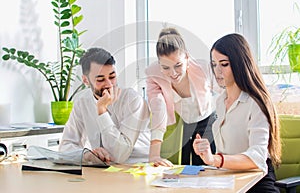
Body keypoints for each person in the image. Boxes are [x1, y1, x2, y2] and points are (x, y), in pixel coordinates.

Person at [193, 33, 281, 192]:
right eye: (214, 64)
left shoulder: (256, 104)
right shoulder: (220, 102)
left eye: (224, 64)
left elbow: (257, 157)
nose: (217, 71)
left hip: (256, 181)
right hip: (226, 178)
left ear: (240, 64)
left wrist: (215, 159)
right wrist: (206, 152)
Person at [59, 47, 151, 164]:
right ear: (86, 81)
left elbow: (119, 155)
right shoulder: (82, 102)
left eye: (112, 77)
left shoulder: (132, 100)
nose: (109, 84)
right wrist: (86, 155)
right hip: (105, 170)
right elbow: (65, 147)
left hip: (138, 168)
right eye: (100, 79)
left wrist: (102, 111)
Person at [145, 27, 219, 166]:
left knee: (206, 166)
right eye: (165, 68)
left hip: (207, 119)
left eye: (178, 65)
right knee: (182, 166)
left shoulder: (203, 69)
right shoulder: (153, 74)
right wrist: (154, 155)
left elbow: (226, 92)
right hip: (182, 122)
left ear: (186, 57)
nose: (173, 73)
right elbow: (158, 109)